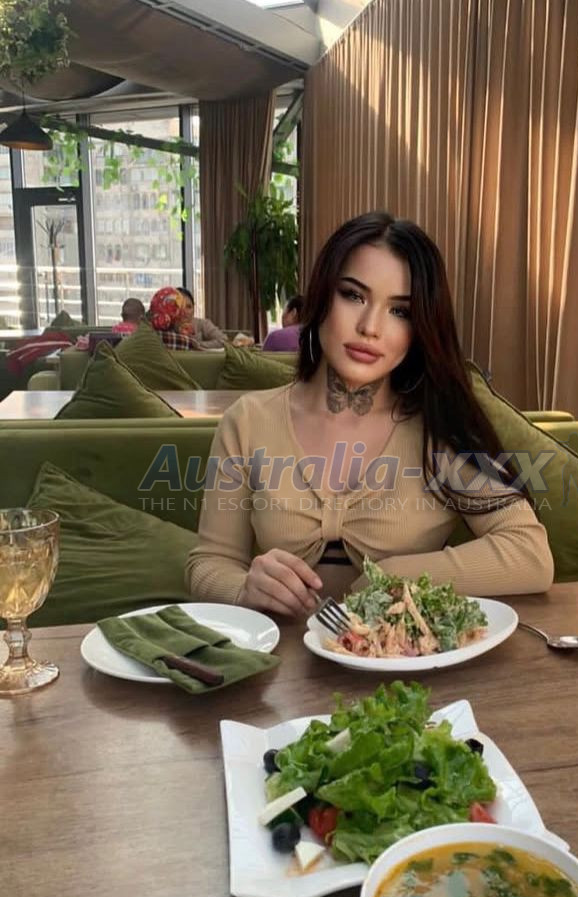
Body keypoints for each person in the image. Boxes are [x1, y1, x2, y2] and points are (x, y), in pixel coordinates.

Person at [186, 211, 554, 618]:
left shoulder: (438, 427)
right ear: (322, 296)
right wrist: (243, 589)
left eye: (400, 312)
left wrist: (395, 577)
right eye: (353, 295)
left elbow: (530, 554)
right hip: (280, 654)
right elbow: (210, 563)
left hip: (405, 657)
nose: (370, 327)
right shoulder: (248, 421)